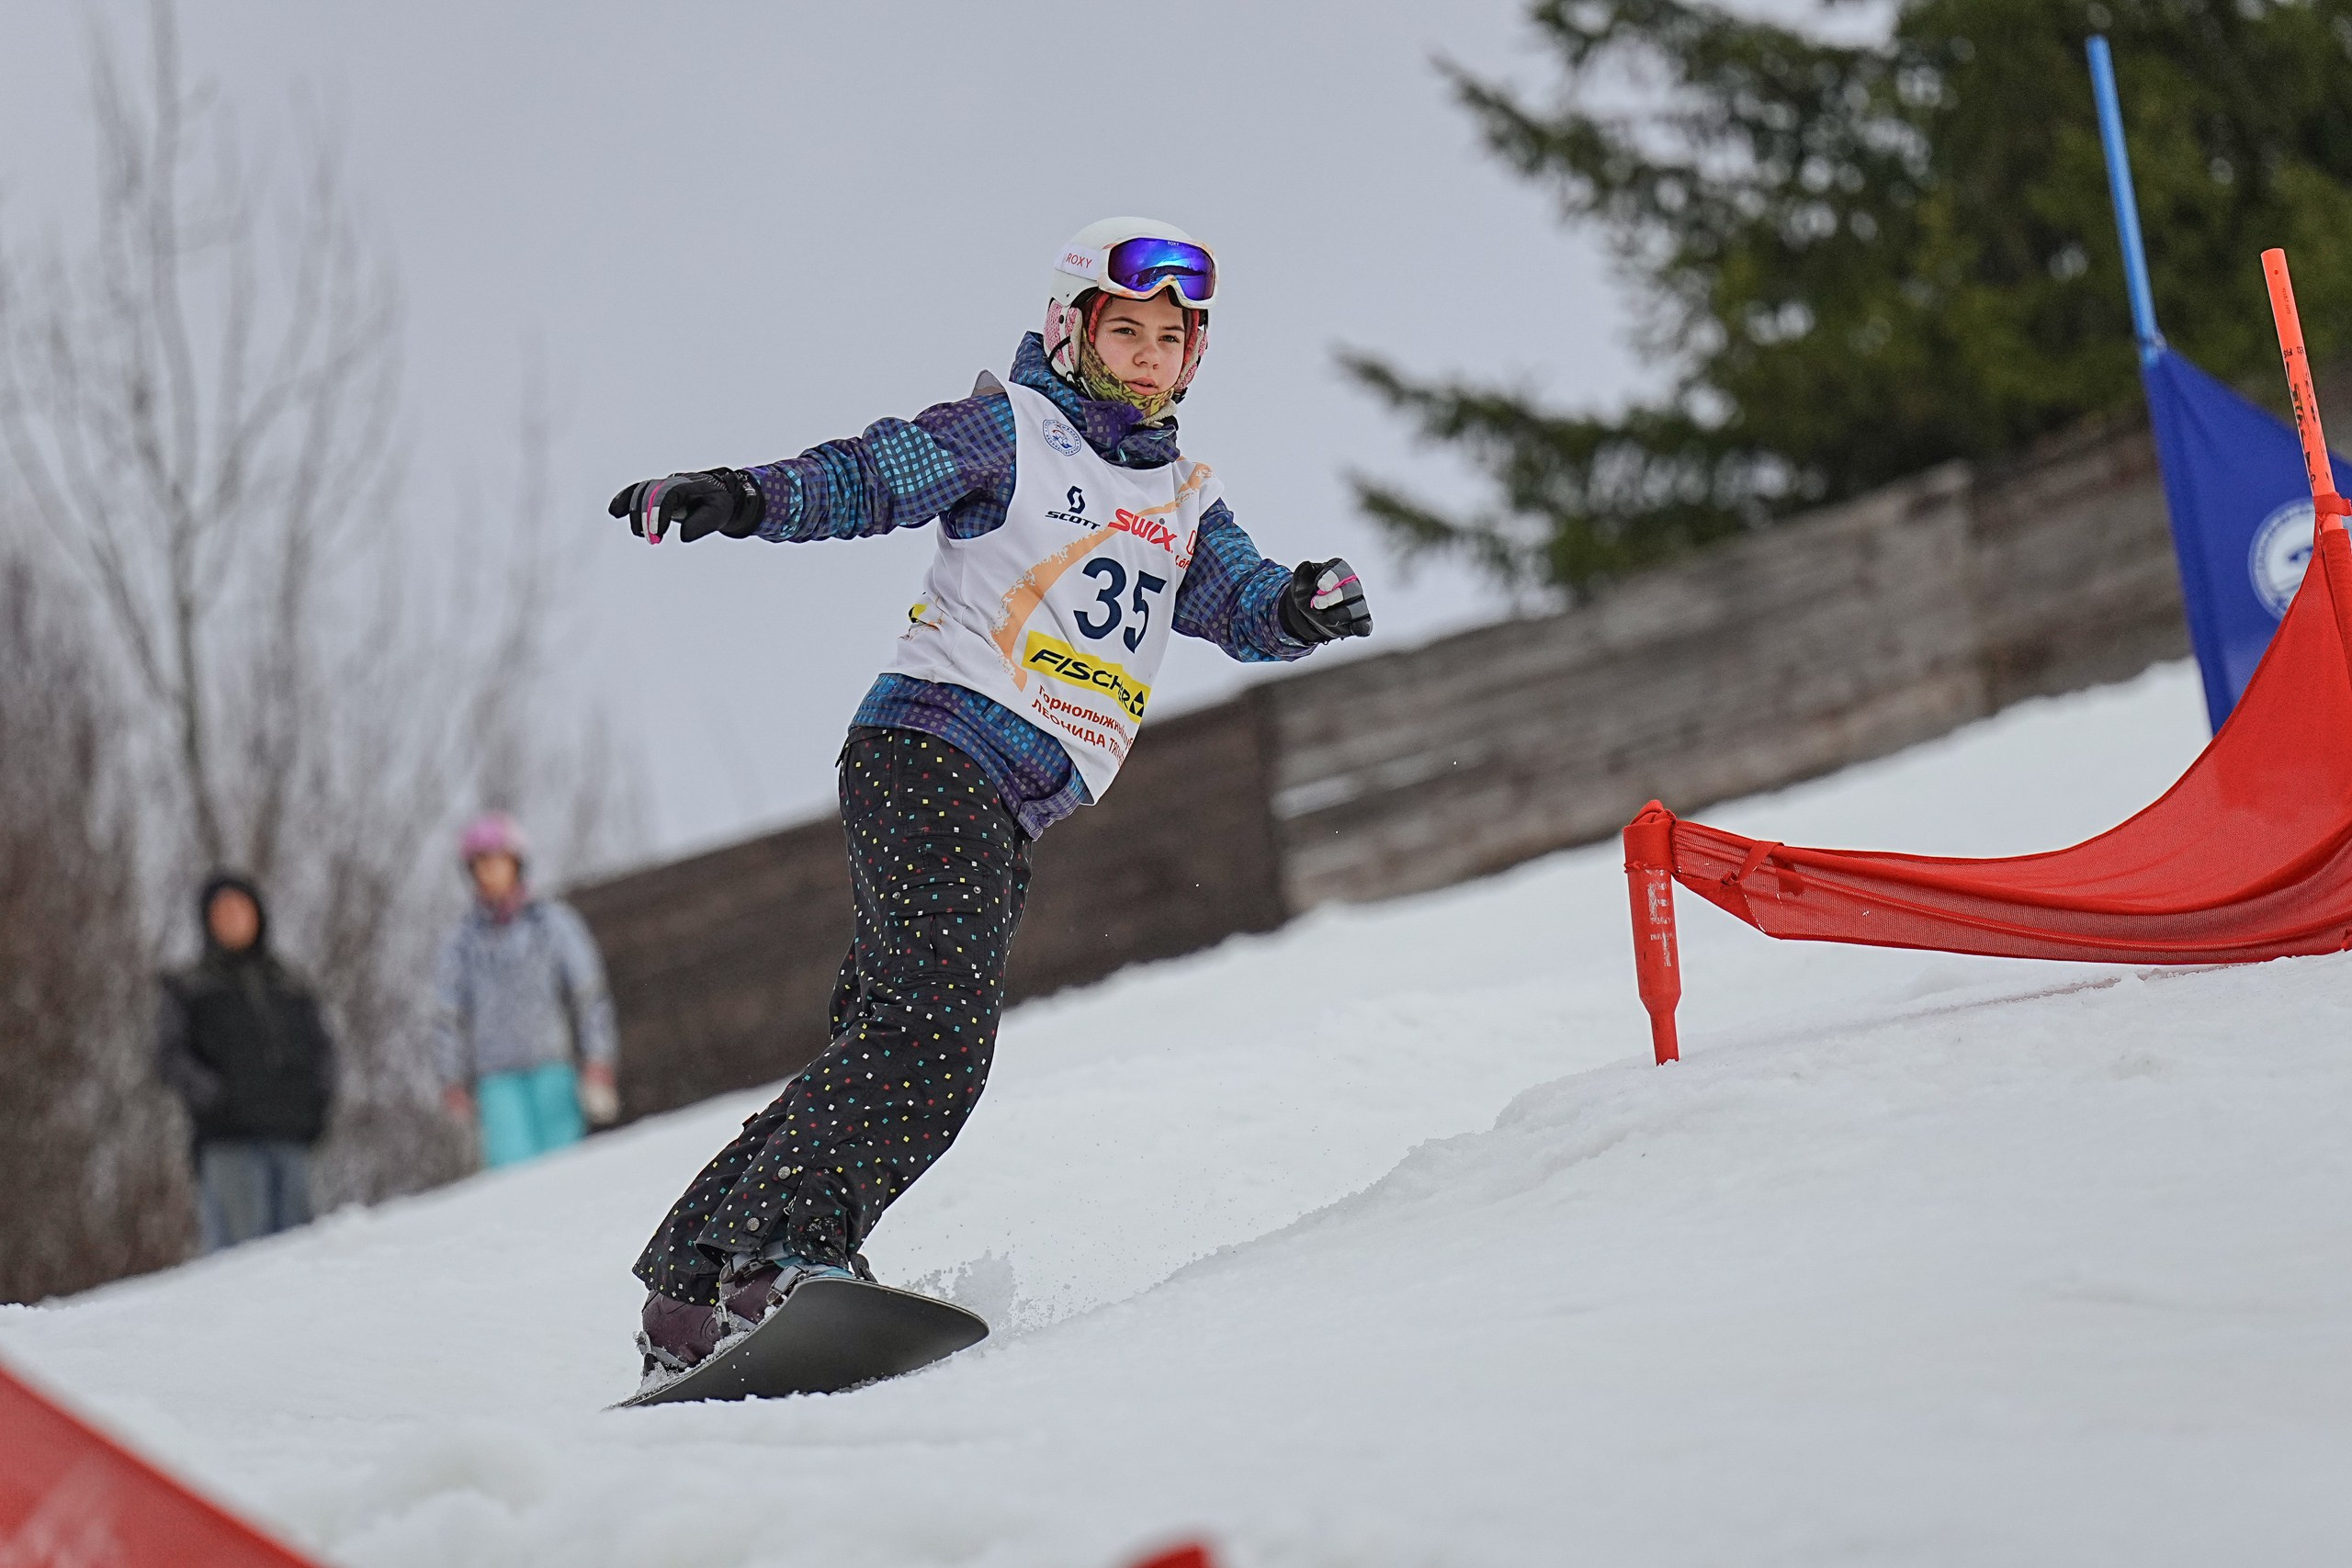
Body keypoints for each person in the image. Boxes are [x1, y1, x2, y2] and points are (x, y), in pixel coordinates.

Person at [606, 217, 1374, 1385]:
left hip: (996, 803)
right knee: (936, 1038)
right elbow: (870, 474)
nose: (1151, 356)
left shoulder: (1178, 500)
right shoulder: (1016, 433)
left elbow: (1239, 597)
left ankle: (689, 1291)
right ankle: (782, 1253)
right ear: (1072, 330)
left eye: (1175, 339)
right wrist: (743, 495)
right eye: (1128, 331)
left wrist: (1300, 606)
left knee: (895, 1030)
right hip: (932, 750)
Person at [156, 872, 337, 1252]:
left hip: (290, 1135)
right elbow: (170, 1056)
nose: (233, 918)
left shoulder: (290, 983)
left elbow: (324, 1049)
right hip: (229, 1142)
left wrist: (318, 1102)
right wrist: (212, 1095)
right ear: (207, 920)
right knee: (240, 1262)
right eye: (222, 911)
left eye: (241, 908)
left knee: (301, 1255)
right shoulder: (188, 986)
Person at [431, 812, 620, 1168]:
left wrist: (598, 1058)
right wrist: (451, 1080)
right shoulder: (459, 943)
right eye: (481, 865)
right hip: (496, 1081)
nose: (491, 874)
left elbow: (588, 994)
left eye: (499, 863)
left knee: (568, 1168)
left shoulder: (554, 925)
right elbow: (447, 1016)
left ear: (517, 864)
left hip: (553, 1071)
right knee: (512, 1177)